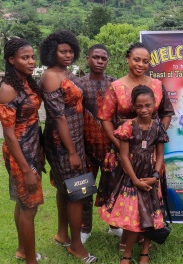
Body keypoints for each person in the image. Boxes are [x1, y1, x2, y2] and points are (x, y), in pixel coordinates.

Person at [96, 42, 174, 252]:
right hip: (123, 150)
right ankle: (125, 236)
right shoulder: (117, 87)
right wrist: (118, 142)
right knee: (125, 193)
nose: (141, 64)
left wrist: (157, 134)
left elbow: (167, 112)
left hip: (150, 153)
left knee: (147, 190)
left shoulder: (156, 85)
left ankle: (144, 233)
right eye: (136, 59)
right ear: (128, 59)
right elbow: (105, 118)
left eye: (145, 61)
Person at [0, 38, 58, 264]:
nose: (31, 61)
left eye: (32, 57)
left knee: (22, 203)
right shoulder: (8, 88)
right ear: (11, 60)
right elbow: (9, 135)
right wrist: (26, 169)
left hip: (33, 149)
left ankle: (23, 250)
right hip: (21, 154)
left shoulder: (26, 82)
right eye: (25, 58)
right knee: (29, 208)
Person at [39, 30, 97, 263]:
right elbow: (59, 116)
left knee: (66, 188)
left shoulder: (67, 73)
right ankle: (76, 246)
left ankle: (62, 234)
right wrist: (72, 152)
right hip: (62, 142)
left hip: (74, 139)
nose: (68, 55)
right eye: (63, 51)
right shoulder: (51, 75)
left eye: (71, 51)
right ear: (52, 52)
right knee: (77, 191)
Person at [99, 85, 170, 264]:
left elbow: (160, 154)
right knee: (132, 219)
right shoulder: (127, 127)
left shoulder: (158, 127)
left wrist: (155, 176)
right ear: (133, 106)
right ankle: (127, 254)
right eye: (139, 106)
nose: (144, 109)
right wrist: (136, 180)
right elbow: (123, 156)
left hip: (151, 177)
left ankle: (145, 251)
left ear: (155, 105)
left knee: (150, 215)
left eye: (148, 105)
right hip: (132, 177)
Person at [79, 44, 120, 244]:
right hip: (85, 148)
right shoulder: (78, 85)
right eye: (96, 57)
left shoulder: (114, 84)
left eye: (104, 58)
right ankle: (84, 228)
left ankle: (114, 225)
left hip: (110, 147)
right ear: (88, 59)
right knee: (84, 189)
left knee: (112, 188)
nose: (100, 61)